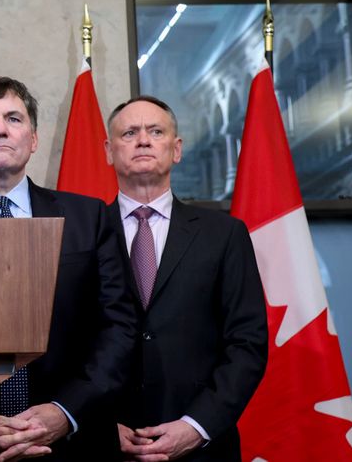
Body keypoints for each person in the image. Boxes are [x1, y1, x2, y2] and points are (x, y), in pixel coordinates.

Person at [0, 77, 137, 461]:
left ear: (33, 139)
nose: (0, 128)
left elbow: (119, 326)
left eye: (14, 119)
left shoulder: (89, 217)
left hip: (74, 441)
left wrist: (65, 412)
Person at [104, 96, 267, 462]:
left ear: (176, 149)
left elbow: (247, 343)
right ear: (109, 151)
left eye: (155, 131)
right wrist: (98, 424)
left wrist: (197, 425)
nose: (143, 140)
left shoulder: (224, 235)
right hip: (106, 444)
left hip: (202, 448)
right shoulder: (83, 233)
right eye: (129, 132)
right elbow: (66, 345)